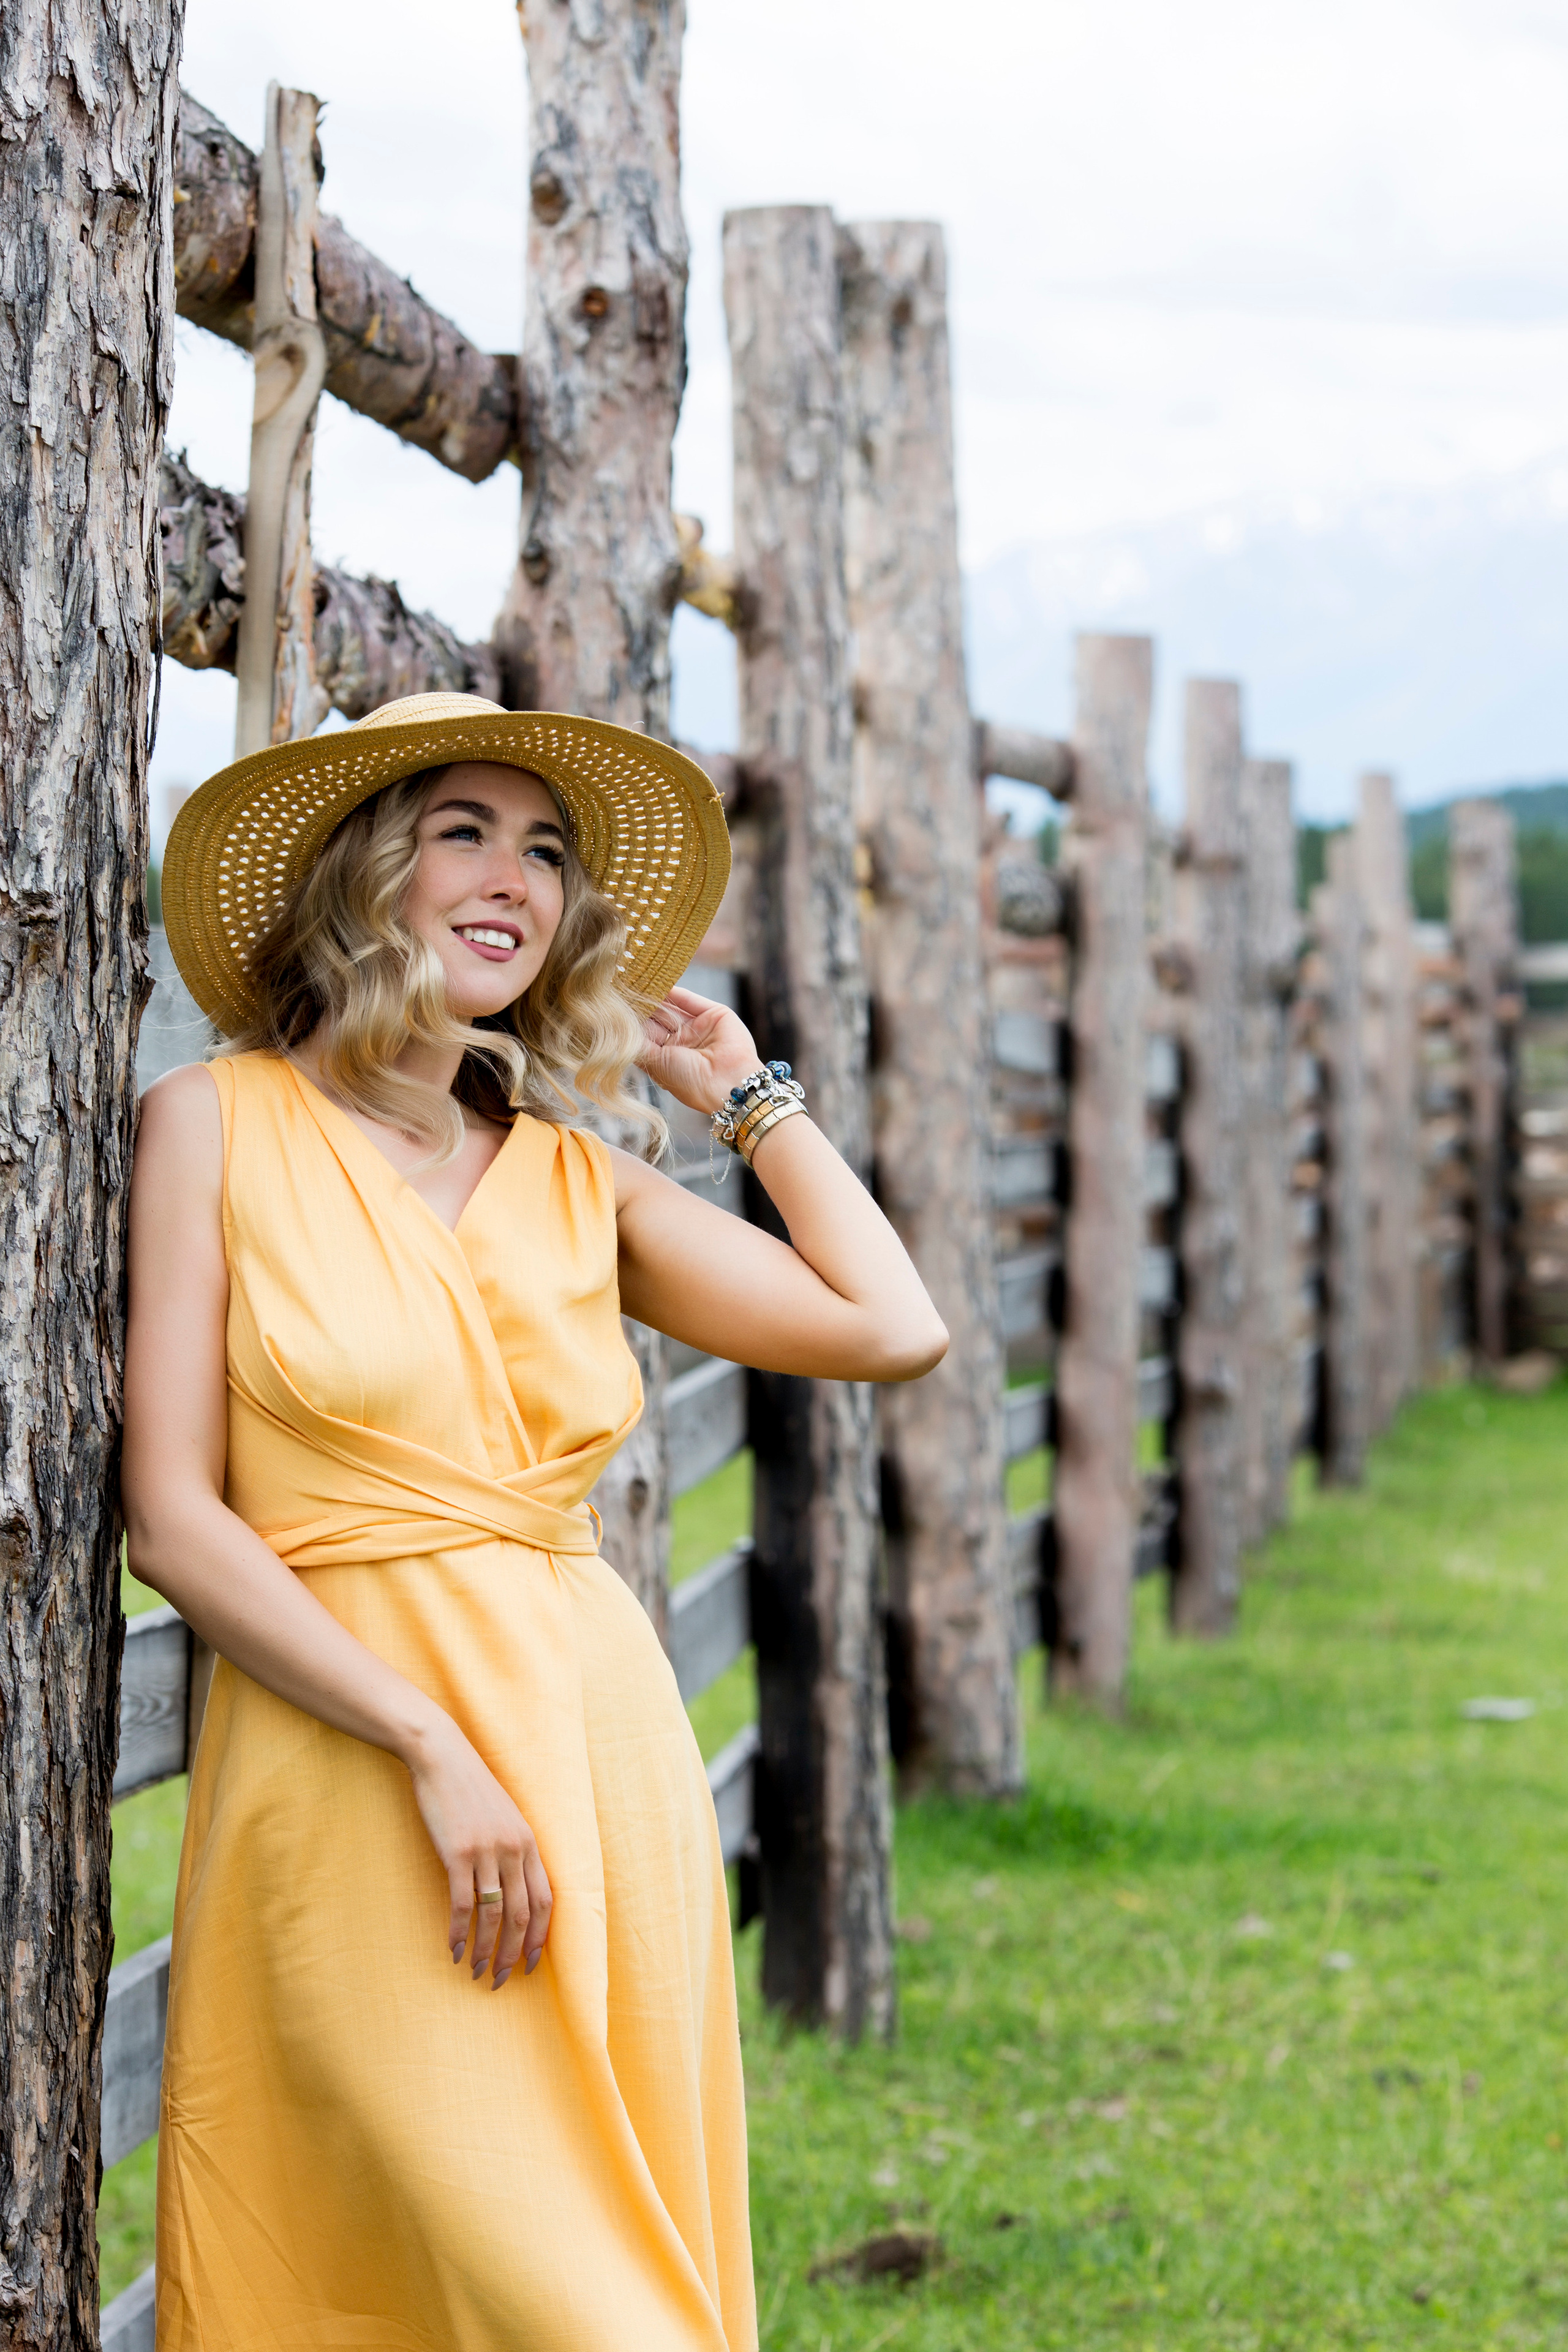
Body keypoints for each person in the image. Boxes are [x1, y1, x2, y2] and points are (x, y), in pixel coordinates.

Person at [122, 693, 947, 2352]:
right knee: (415, 2257)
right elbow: (174, 1519)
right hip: (352, 1759)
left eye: (549, 851)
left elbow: (891, 1326)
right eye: (464, 832)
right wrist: (429, 1744)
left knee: (600, 2266)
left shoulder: (582, 1181)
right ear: (369, 876)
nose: (514, 875)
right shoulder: (215, 1124)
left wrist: (749, 1097)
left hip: (591, 1750)